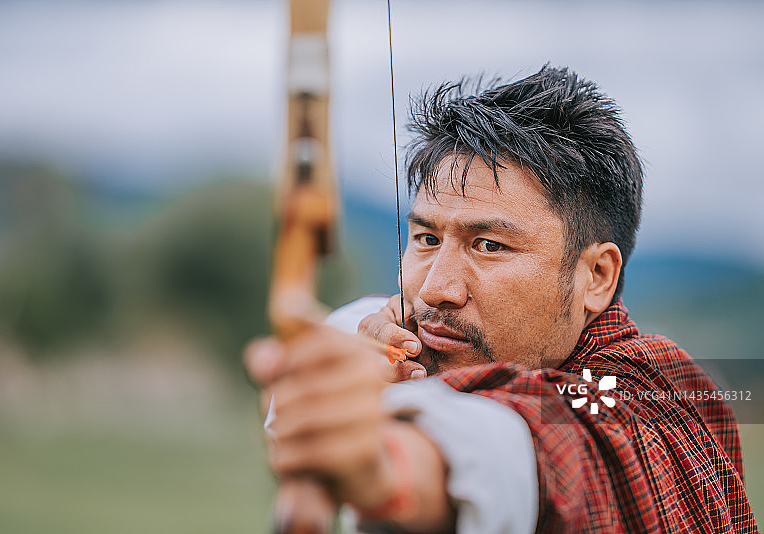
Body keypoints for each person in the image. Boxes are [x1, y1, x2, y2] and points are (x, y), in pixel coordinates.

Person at [245, 66, 757, 533]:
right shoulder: (399, 339)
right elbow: (348, 332)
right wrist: (349, 365)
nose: (435, 289)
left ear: (597, 276)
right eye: (426, 238)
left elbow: (542, 444)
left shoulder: (657, 402)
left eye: (490, 245)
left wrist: (387, 467)